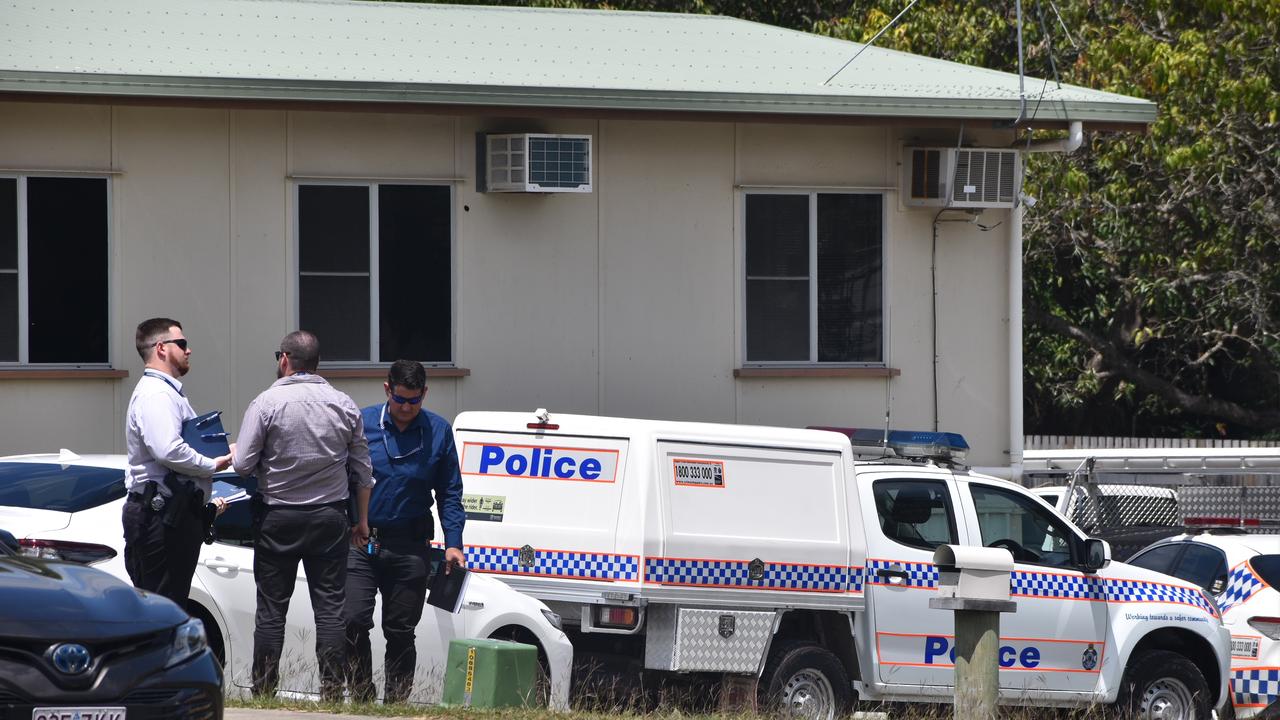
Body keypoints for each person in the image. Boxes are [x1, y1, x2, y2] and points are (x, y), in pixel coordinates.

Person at [232, 330, 373, 701]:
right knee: (330, 609)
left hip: (277, 516)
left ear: (284, 359)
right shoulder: (343, 404)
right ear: (317, 363)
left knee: (272, 610)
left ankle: (264, 691)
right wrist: (362, 521)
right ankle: (331, 691)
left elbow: (243, 465)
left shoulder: (266, 403)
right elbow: (363, 470)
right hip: (329, 516)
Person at [345, 359, 466, 703]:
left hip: (411, 545)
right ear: (387, 390)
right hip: (363, 542)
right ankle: (361, 698)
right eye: (400, 399)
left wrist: (454, 543)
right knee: (352, 620)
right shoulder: (362, 424)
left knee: (400, 631)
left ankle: (395, 704)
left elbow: (450, 492)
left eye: (415, 401)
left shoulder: (438, 431)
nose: (407, 408)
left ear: (424, 394)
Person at [122, 317, 233, 608]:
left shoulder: (165, 392)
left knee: (169, 606)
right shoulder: (157, 393)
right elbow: (168, 450)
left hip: (171, 514)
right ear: (161, 348)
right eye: (181, 343)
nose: (189, 350)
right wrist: (212, 465)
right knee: (162, 610)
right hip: (161, 517)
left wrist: (222, 453)